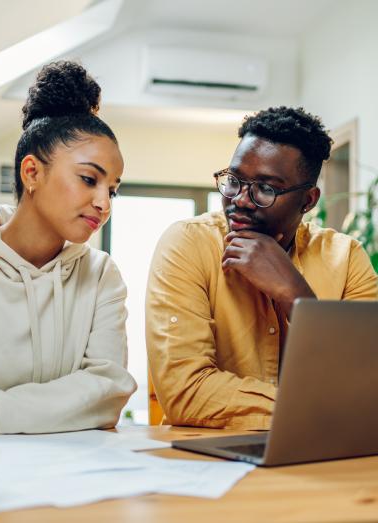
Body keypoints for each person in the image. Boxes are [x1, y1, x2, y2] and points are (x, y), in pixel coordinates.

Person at [146, 106, 378, 430]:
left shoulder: (347, 257)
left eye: (266, 189)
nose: (240, 199)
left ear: (309, 201)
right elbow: (186, 392)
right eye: (234, 180)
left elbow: (367, 384)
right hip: (204, 460)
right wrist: (319, 410)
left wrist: (295, 295)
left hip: (322, 458)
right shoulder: (188, 245)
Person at [0, 61, 137, 434]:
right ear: (32, 173)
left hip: (72, 479)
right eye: (89, 179)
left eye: (112, 189)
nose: (105, 203)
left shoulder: (101, 274)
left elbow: (107, 391)